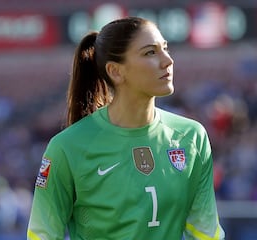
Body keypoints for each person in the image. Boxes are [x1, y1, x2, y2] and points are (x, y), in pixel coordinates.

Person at [27, 16, 225, 239]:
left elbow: (206, 232)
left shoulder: (192, 137)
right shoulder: (66, 147)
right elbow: (42, 234)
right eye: (150, 52)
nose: (167, 60)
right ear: (115, 71)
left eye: (165, 49)